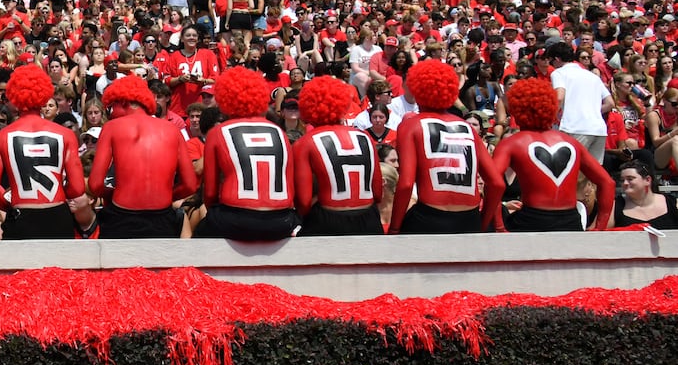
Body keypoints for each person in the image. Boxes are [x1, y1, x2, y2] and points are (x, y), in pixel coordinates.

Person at [391, 60, 505, 234]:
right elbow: (497, 183)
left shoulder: (411, 125)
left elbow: (406, 184)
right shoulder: (467, 127)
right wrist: (483, 223)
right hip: (470, 218)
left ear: (417, 89)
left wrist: (394, 228)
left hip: (429, 217)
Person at [490, 77, 614, 232]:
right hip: (570, 220)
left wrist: (499, 227)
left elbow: (493, 183)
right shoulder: (572, 143)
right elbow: (607, 183)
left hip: (531, 221)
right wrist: (599, 228)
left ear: (516, 108)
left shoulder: (512, 143)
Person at [0, 64, 93, 239]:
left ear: (14, 95)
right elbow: (77, 188)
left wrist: (11, 206)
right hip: (58, 214)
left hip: (21, 214)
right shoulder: (65, 135)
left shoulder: (0, 137)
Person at [86, 74, 197, 238]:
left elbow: (95, 185)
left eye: (111, 107)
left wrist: (114, 194)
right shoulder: (172, 129)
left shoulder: (111, 127)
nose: (110, 113)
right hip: (162, 215)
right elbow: (190, 185)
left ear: (123, 102)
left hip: (121, 216)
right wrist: (167, 195)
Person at [195, 66, 299, 241]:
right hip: (282, 220)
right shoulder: (279, 131)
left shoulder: (218, 132)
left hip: (235, 218)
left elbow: (210, 194)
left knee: (199, 232)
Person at [292, 75, 384, 236]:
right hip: (369, 219)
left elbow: (304, 203)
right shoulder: (364, 137)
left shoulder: (305, 143)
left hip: (328, 221)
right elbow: (377, 194)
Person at [546, 40, 613, 164]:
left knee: (572, 170)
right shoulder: (592, 76)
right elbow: (610, 103)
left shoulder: (558, 73)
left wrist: (550, 117)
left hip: (575, 127)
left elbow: (559, 96)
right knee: (592, 175)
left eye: (551, 61)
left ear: (556, 59)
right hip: (598, 129)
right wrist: (591, 111)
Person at [613, 160, 676, 229]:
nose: (625, 183)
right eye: (622, 180)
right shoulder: (616, 206)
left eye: (630, 179)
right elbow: (604, 235)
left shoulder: (672, 203)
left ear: (647, 180)